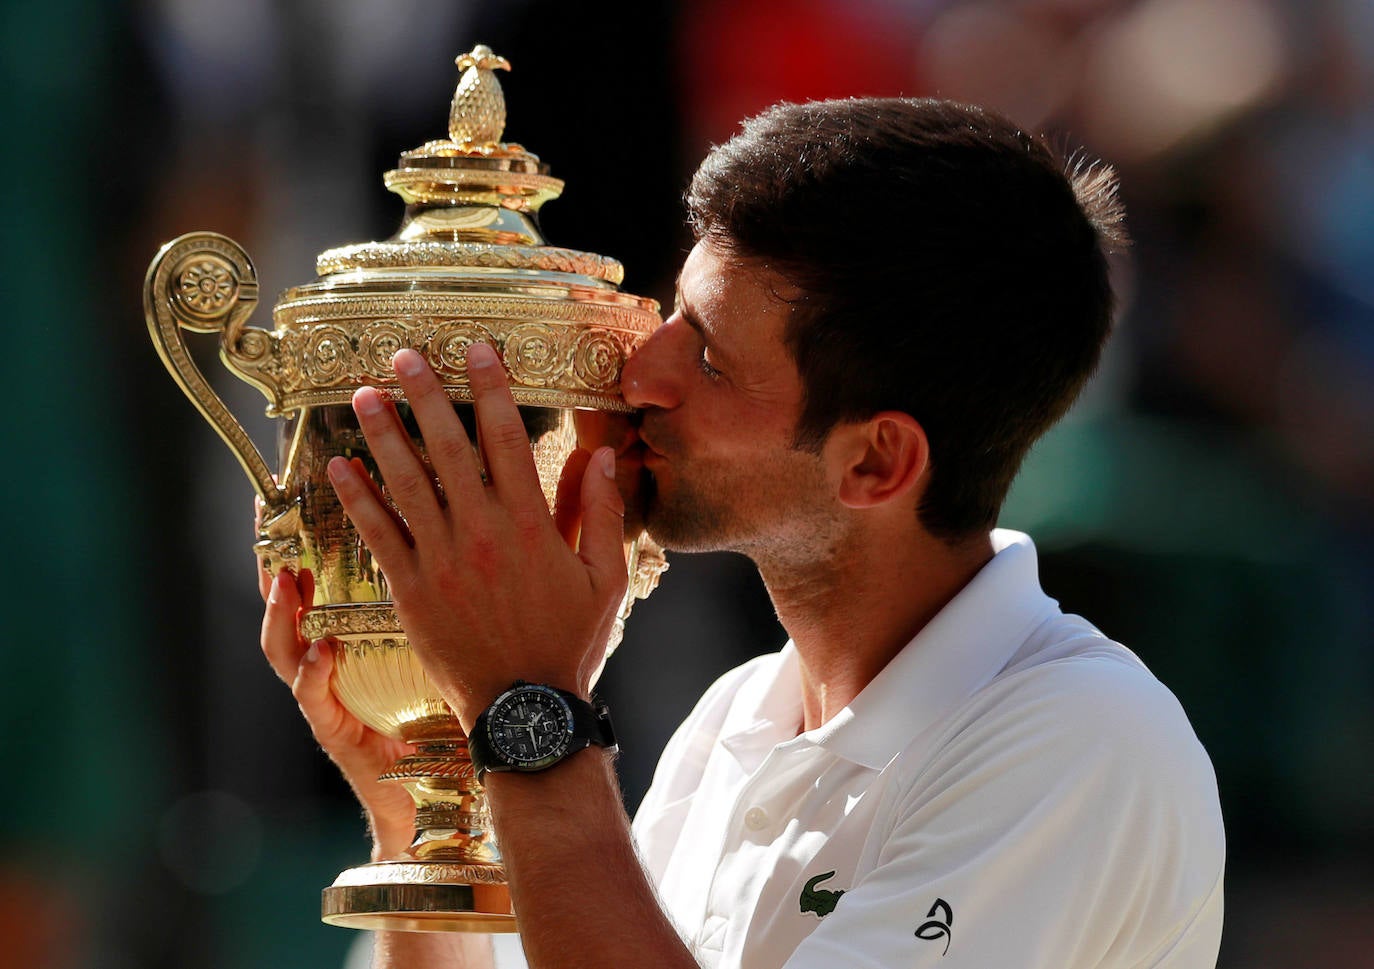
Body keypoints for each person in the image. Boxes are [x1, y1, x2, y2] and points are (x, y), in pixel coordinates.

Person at [260, 97, 1224, 968]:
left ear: (876, 463)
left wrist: (531, 709)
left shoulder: (1084, 743)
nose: (641, 377)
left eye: (709, 358)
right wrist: (425, 806)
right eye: (674, 315)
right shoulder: (734, 721)